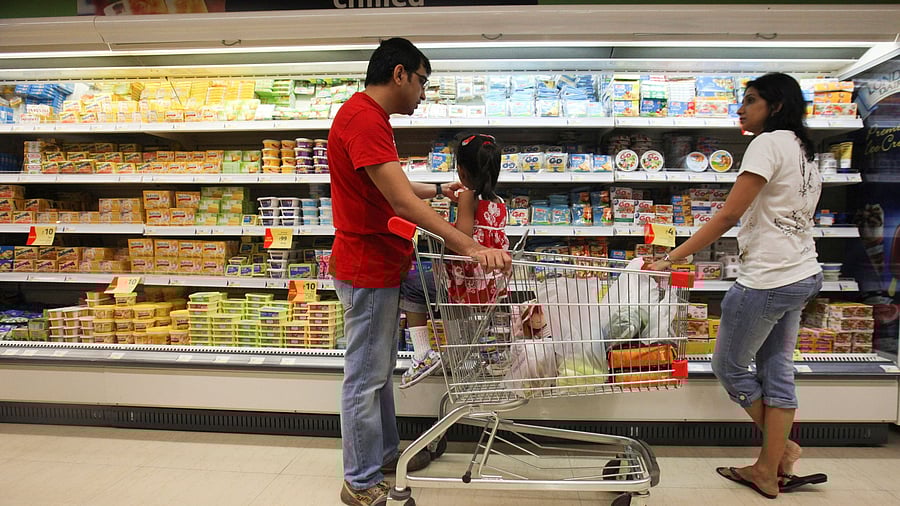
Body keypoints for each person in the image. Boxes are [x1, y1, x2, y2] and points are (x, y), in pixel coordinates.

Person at [328, 38, 511, 506]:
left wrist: (440, 190)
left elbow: (394, 184)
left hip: (381, 264)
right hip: (368, 266)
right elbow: (399, 200)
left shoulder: (368, 118)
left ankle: (384, 455)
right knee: (365, 377)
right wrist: (467, 244)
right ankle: (361, 480)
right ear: (400, 74)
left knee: (377, 371)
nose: (423, 93)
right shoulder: (366, 119)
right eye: (423, 82)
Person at [647, 73, 824, 499]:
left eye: (750, 101)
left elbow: (728, 215)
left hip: (767, 279)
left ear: (775, 106)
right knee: (777, 371)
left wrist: (669, 257)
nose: (740, 109)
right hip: (802, 272)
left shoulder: (767, 143)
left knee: (729, 367)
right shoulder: (805, 150)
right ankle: (772, 462)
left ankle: (778, 455)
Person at [399, 133, 509, 389]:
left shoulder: (468, 197)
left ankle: (422, 354)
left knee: (413, 285)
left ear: (460, 170)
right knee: (455, 305)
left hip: (464, 282)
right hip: (488, 283)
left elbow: (463, 238)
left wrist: (438, 229)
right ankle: (467, 353)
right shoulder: (499, 201)